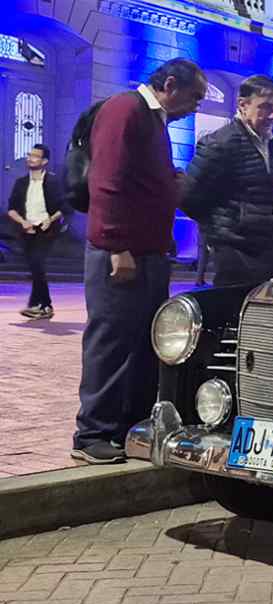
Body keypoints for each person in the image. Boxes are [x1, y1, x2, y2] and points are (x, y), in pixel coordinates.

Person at [74, 58, 207, 464]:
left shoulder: (153, 120)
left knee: (141, 343)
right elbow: (107, 181)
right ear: (170, 84)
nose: (196, 107)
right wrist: (116, 245)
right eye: (195, 97)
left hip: (147, 253)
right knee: (111, 341)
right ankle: (92, 433)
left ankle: (130, 425)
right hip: (121, 253)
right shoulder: (125, 109)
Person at [180, 74, 273, 287]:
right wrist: (222, 230)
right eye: (265, 107)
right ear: (242, 105)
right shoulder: (220, 143)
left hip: (272, 250)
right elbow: (188, 197)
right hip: (236, 253)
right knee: (234, 314)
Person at [6, 144, 67, 319]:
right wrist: (23, 222)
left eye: (35, 156)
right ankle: (37, 305)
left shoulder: (53, 182)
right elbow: (11, 208)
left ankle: (45, 305)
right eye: (29, 155)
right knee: (35, 267)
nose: (30, 158)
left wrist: (50, 219)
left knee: (37, 263)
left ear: (44, 161)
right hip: (26, 230)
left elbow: (64, 206)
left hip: (46, 230)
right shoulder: (21, 183)